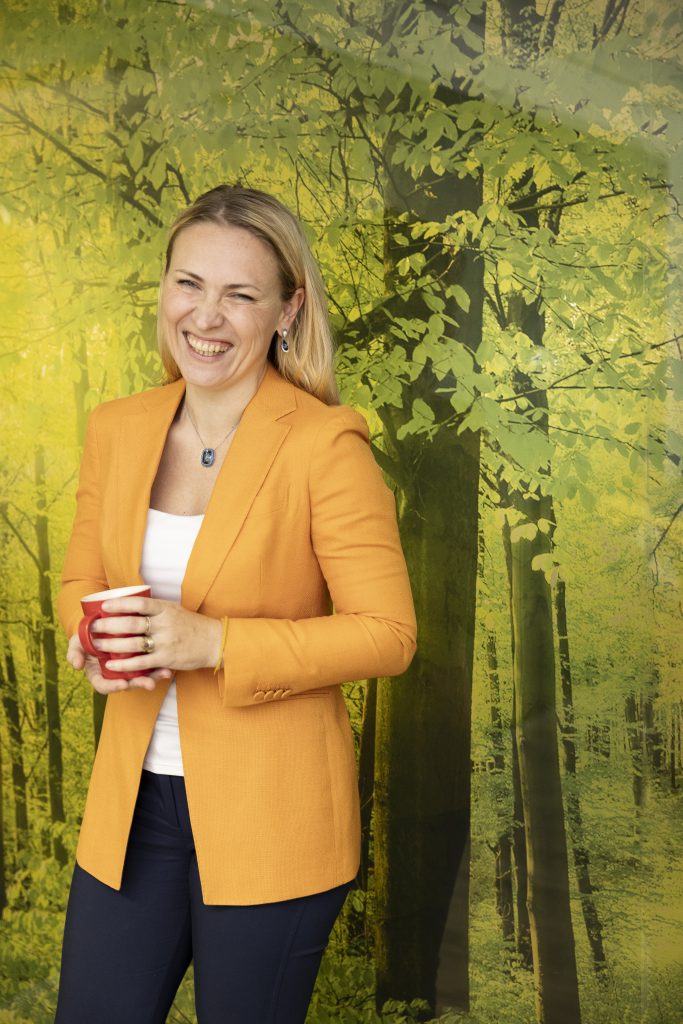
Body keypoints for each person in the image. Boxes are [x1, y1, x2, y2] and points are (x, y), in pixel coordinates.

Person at [54, 184, 417, 1024]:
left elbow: (388, 635)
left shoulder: (326, 444)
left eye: (239, 294)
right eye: (189, 283)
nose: (205, 317)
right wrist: (87, 633)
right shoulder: (117, 427)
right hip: (131, 811)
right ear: (164, 290)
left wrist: (213, 642)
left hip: (275, 819)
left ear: (287, 310)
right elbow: (79, 582)